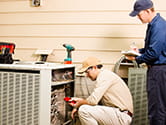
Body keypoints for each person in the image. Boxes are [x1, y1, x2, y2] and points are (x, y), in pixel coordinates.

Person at [127, 0, 166, 124]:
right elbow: (153, 49)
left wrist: (137, 58)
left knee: (157, 109)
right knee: (160, 107)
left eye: (139, 14)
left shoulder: (158, 26)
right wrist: (139, 51)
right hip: (159, 70)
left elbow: (153, 54)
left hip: (159, 71)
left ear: (148, 11)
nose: (138, 17)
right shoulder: (153, 24)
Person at [68, 57, 133, 125]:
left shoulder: (104, 76)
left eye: (87, 72)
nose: (87, 75)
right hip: (116, 114)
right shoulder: (104, 76)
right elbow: (94, 102)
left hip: (122, 116)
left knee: (84, 110)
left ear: (94, 67)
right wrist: (78, 105)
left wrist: (80, 103)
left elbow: (93, 101)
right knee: (80, 112)